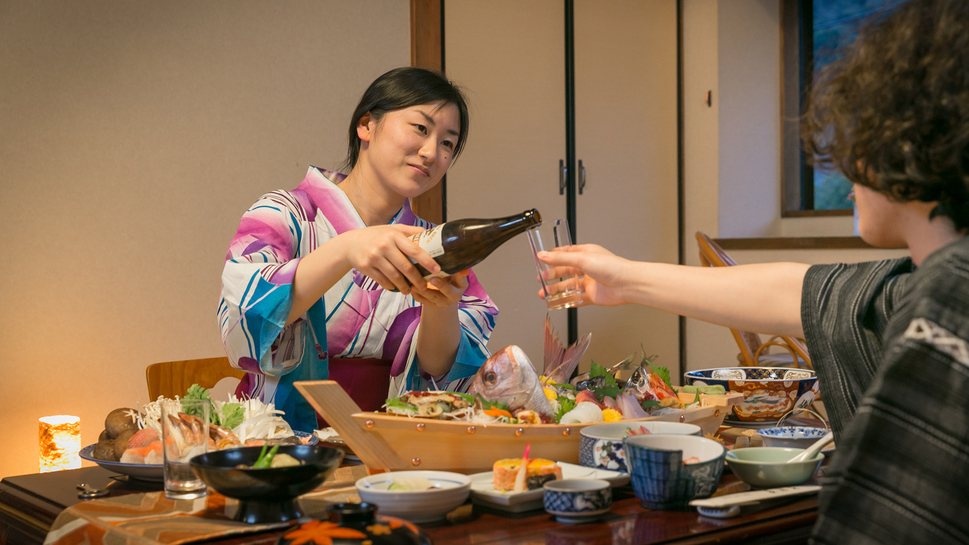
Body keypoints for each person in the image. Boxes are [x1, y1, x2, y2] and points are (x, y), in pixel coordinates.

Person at [538, 1, 968, 543]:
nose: (841, 162)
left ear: (909, 141)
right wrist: (621, 277)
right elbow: (805, 295)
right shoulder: (929, 280)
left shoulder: (953, 294)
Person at [218, 67, 498, 432]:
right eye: (420, 128)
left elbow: (441, 373)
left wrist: (439, 305)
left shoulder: (434, 246)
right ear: (366, 125)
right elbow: (245, 316)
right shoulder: (283, 214)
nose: (431, 152)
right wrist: (346, 248)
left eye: (447, 143)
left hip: (387, 441)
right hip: (274, 437)